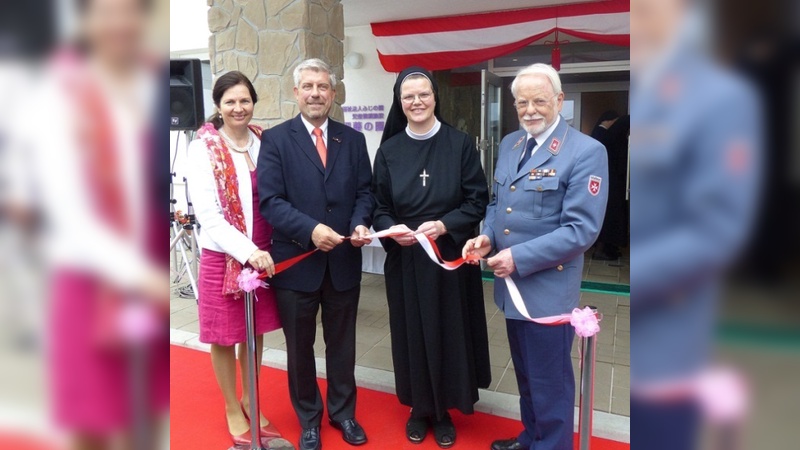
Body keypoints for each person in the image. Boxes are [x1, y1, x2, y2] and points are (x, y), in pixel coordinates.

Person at [463, 63, 608, 450]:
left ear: (559, 101)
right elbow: (498, 204)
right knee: (527, 376)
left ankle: (552, 444)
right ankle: (532, 438)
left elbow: (581, 231)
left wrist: (517, 258)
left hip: (547, 289)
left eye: (539, 101)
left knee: (550, 382)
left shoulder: (586, 151)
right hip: (511, 288)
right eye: (522, 102)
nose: (530, 110)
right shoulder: (512, 143)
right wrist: (487, 237)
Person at [371, 67, 491, 448]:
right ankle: (419, 408)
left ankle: (444, 411)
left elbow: (477, 199)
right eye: (409, 97)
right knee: (411, 333)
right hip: (407, 260)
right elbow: (379, 205)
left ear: (435, 97)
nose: (417, 102)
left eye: (423, 94)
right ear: (400, 102)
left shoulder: (459, 145)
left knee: (449, 331)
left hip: (450, 259)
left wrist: (443, 226)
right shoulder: (389, 150)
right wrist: (393, 229)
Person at [258, 59, 373, 450]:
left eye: (323, 87)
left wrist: (359, 224)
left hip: (342, 263)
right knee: (300, 348)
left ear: (333, 94)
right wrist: (310, 230)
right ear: (296, 93)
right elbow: (270, 202)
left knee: (342, 345)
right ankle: (309, 418)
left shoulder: (352, 140)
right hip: (297, 265)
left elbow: (365, 192)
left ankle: (344, 414)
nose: (315, 94)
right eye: (308, 86)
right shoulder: (275, 140)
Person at [187, 70, 291, 449]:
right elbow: (209, 216)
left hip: (265, 252)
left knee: (255, 331)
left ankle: (252, 396)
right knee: (224, 336)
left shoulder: (265, 141)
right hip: (225, 256)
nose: (238, 107)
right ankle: (233, 406)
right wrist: (248, 252)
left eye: (244, 100)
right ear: (218, 106)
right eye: (230, 101)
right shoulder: (203, 148)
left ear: (253, 103)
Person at [593, 114, 630, 261]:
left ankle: (607, 248)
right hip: (608, 182)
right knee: (608, 218)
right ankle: (602, 250)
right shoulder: (603, 134)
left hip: (607, 181)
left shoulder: (603, 134)